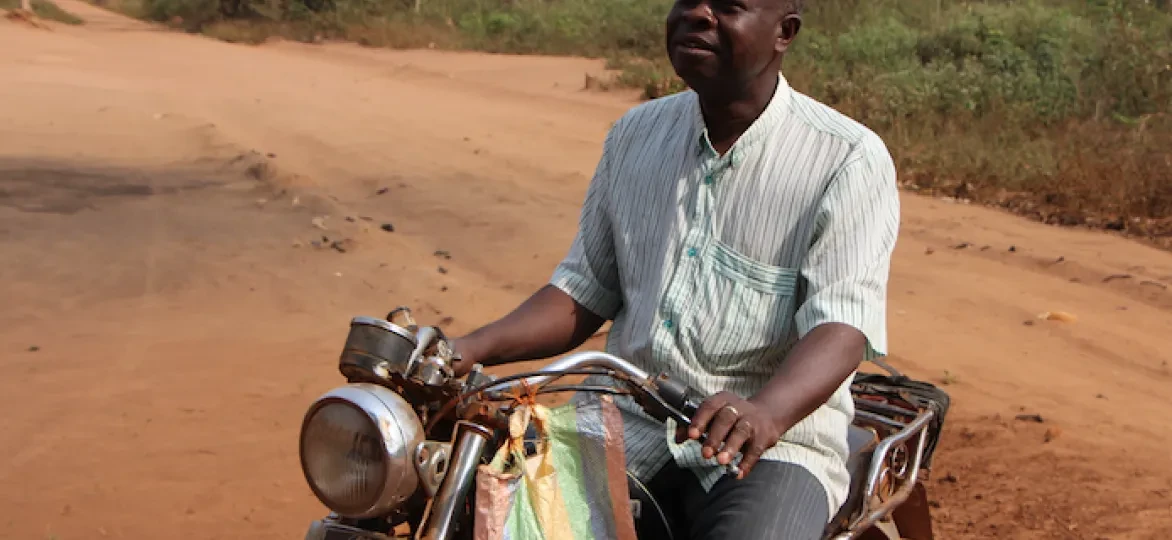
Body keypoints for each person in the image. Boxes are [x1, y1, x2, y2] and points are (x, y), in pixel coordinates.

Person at [450, 0, 900, 537]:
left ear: (784, 33)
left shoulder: (846, 157)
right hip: (618, 422)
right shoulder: (634, 136)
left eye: (728, 6)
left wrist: (766, 412)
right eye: (687, 1)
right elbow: (583, 291)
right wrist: (467, 348)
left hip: (771, 448)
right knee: (480, 514)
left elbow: (842, 326)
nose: (698, 15)